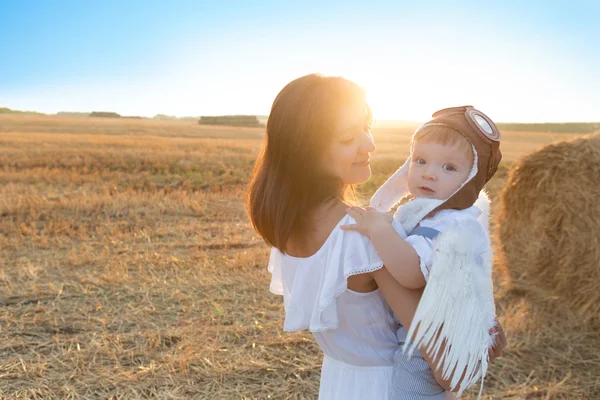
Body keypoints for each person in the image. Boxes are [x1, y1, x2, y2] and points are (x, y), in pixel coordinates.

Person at [246, 74, 506, 399]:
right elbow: (446, 365)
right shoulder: (369, 235)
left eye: (366, 126)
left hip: (340, 384)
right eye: (347, 137)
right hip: (391, 388)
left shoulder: (284, 226)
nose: (369, 144)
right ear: (305, 150)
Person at [342, 106, 503, 398]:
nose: (429, 174)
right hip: (439, 334)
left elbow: (412, 274)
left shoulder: (449, 224)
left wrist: (380, 232)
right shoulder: (436, 215)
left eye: (449, 168)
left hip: (433, 344)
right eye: (421, 161)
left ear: (470, 179)